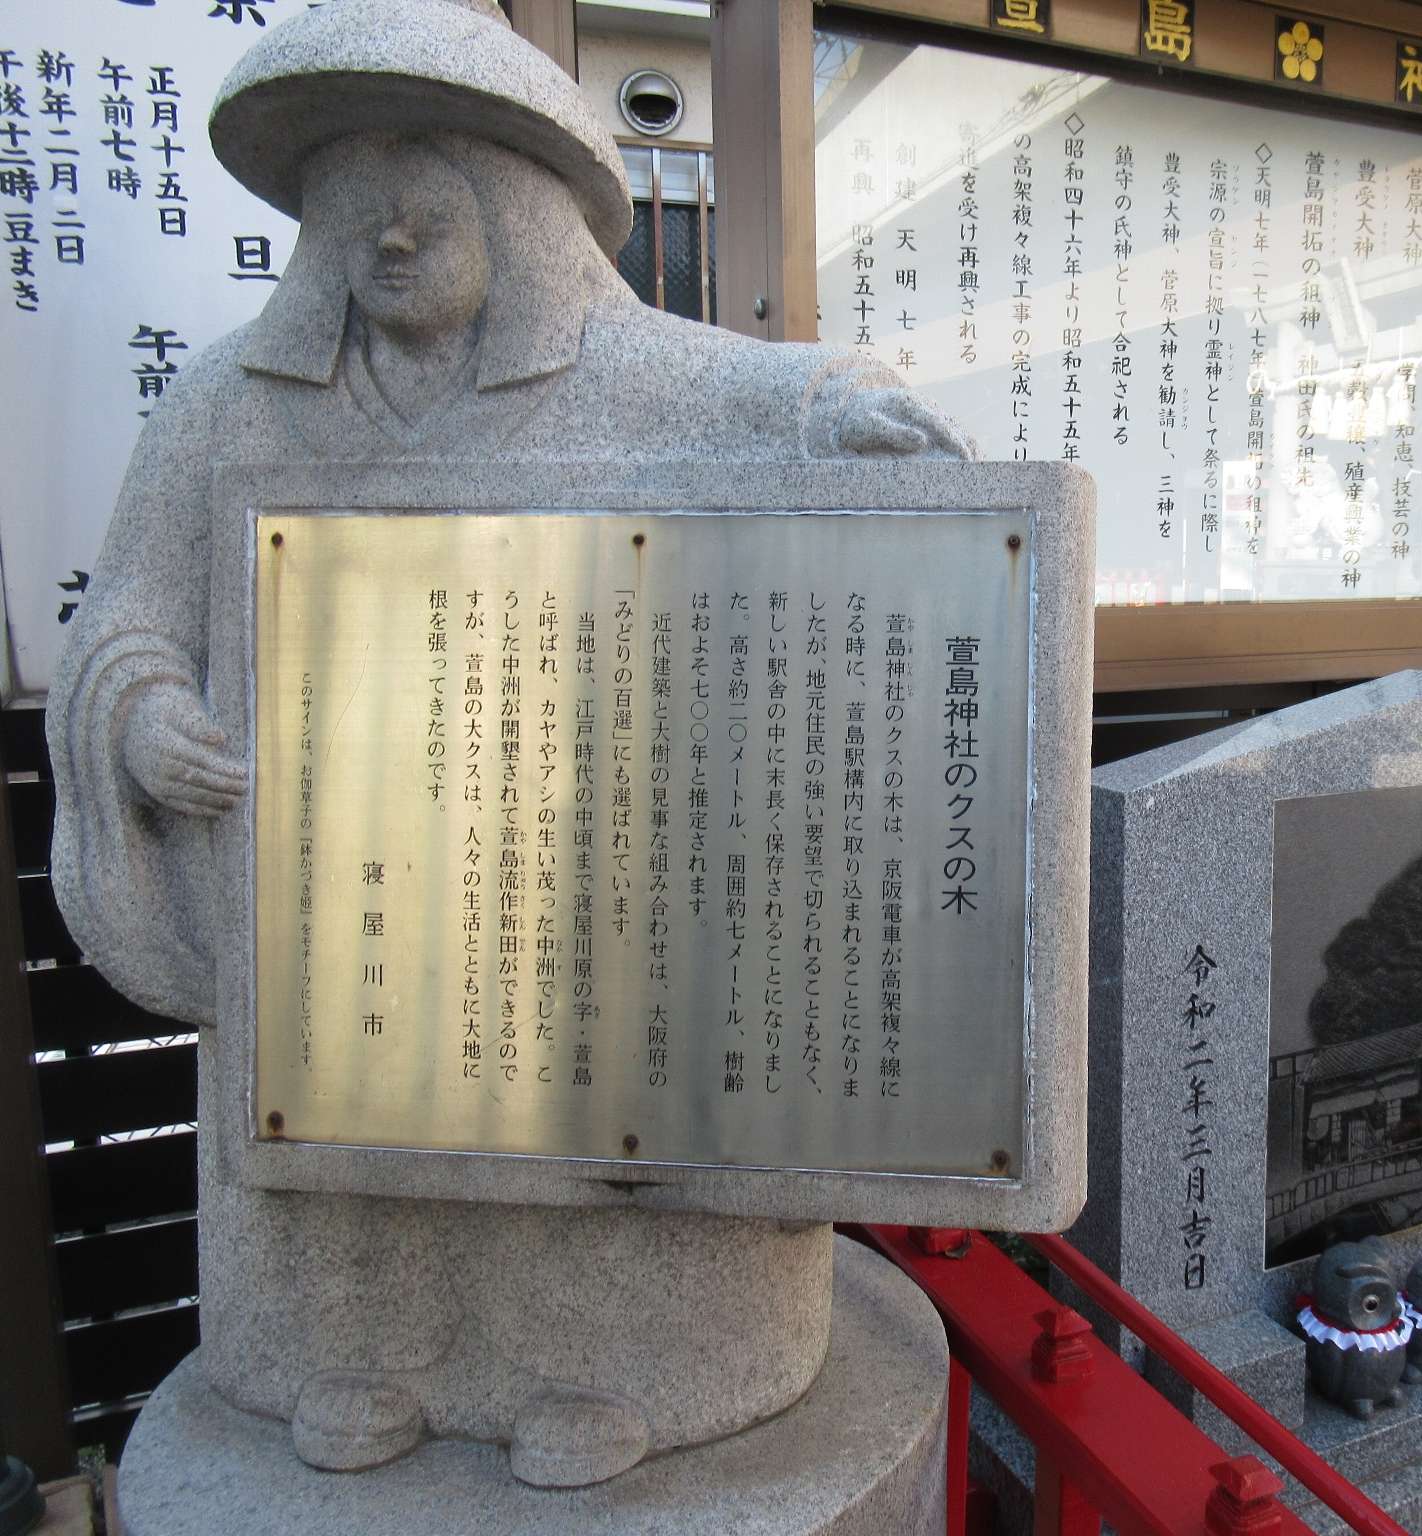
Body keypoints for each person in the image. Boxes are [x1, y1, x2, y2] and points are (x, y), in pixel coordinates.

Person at [49, 0, 969, 1488]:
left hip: (573, 861)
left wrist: (855, 417)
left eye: (420, 215)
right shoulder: (228, 401)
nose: (388, 250)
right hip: (338, 891)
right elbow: (129, 611)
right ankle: (353, 1358)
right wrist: (147, 719)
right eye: (355, 224)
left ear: (515, 211)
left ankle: (615, 1373)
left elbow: (785, 396)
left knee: (599, 1100)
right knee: (350, 1106)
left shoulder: (631, 374)